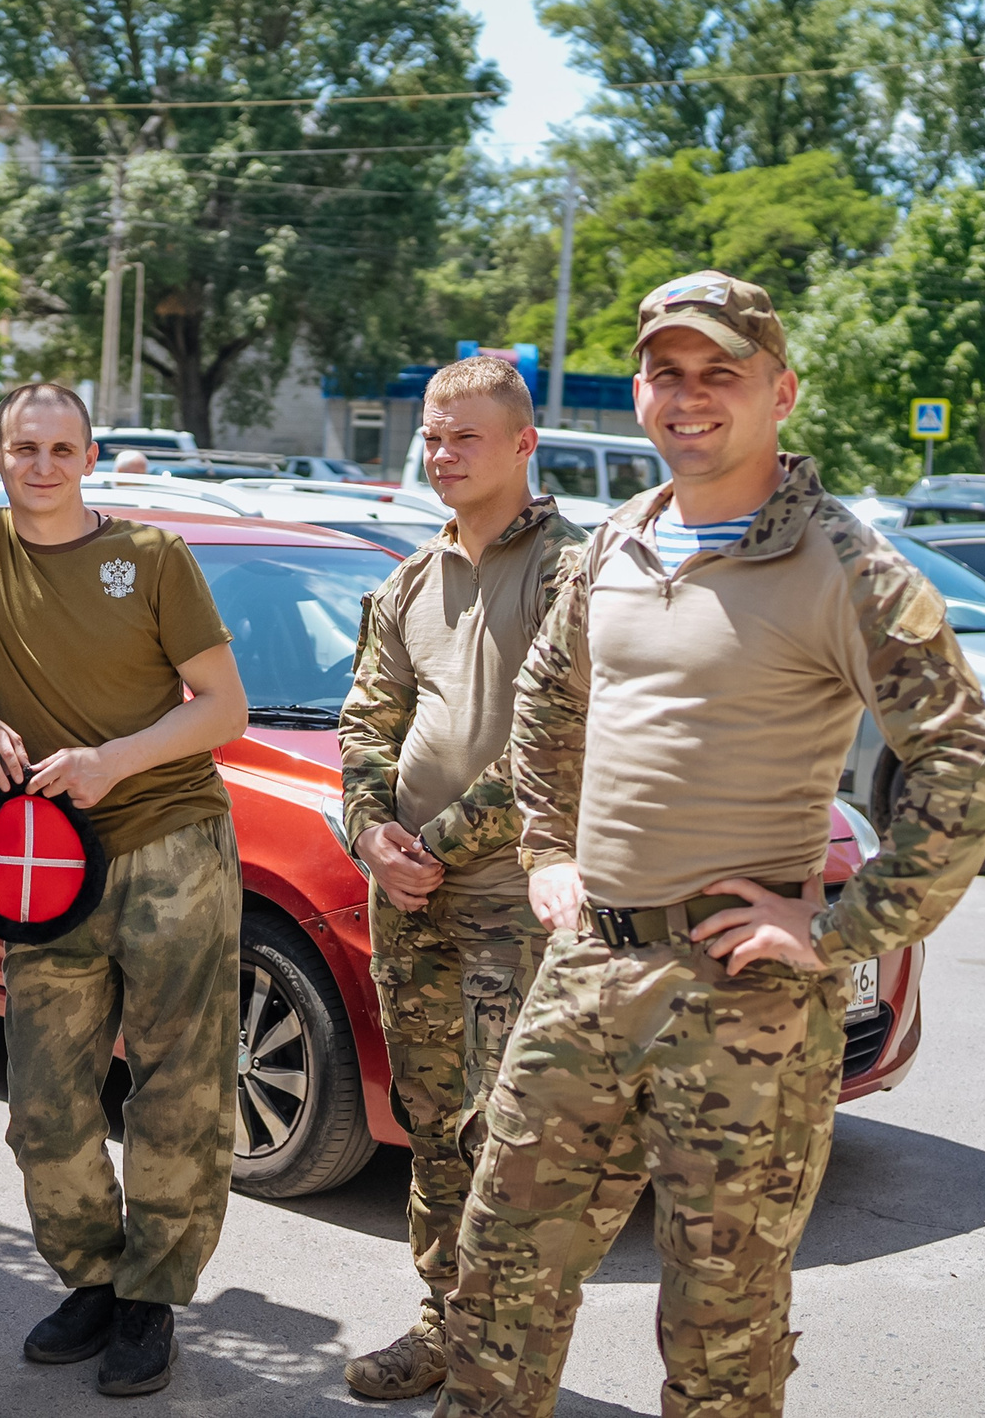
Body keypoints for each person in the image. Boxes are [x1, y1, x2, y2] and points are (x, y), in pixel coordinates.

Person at [436, 273, 985, 1418]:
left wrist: (839, 928)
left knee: (721, 1326)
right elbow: (546, 716)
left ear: (780, 391)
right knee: (497, 1278)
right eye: (666, 372)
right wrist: (550, 853)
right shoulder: (614, 543)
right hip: (586, 972)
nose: (686, 397)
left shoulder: (845, 567)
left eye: (721, 374)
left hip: (737, 1001)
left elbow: (967, 775)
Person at [0, 381, 250, 1398]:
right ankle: (89, 1277)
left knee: (180, 1091)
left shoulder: (153, 557)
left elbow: (223, 707)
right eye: (23, 448)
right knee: (46, 1099)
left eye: (60, 448)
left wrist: (114, 762)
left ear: (90, 457)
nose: (41, 465)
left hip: (171, 840)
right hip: (44, 857)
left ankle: (150, 1301)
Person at [334, 358, 585, 1402]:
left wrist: (431, 838)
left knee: (513, 1152)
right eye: (431, 437)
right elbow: (365, 722)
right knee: (434, 1134)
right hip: (412, 909)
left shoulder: (577, 571)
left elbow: (561, 743)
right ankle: (443, 1325)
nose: (439, 455)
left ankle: (499, 1369)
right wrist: (368, 832)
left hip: (515, 914)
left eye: (463, 438)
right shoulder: (406, 581)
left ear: (523, 445)